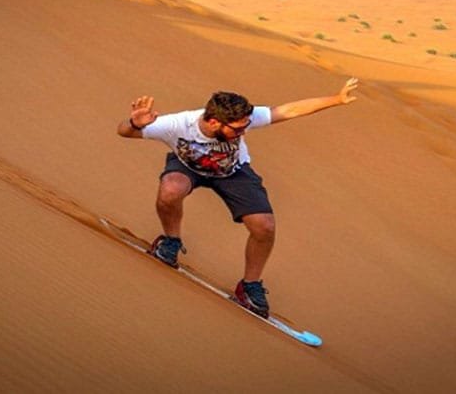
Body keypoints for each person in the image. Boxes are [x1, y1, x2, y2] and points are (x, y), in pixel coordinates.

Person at [117, 77, 359, 317]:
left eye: (245, 126)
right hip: (187, 166)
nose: (244, 131)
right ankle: (170, 241)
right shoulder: (177, 124)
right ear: (213, 121)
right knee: (171, 190)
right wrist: (134, 123)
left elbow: (289, 110)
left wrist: (337, 99)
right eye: (238, 129)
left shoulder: (241, 121)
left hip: (233, 172)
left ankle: (250, 285)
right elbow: (124, 132)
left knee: (264, 227)